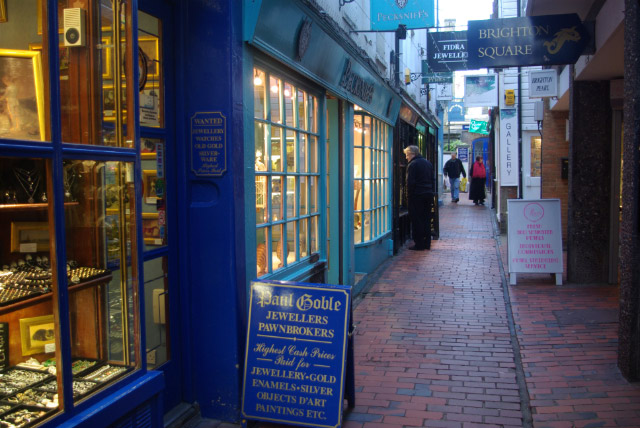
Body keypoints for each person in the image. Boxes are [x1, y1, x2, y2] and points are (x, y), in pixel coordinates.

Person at [403, 145, 434, 251]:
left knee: (417, 220)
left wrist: (408, 196)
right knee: (426, 219)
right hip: (428, 194)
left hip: (417, 195)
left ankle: (419, 244)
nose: (406, 157)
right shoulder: (428, 163)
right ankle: (427, 243)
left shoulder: (412, 164)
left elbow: (410, 183)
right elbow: (432, 180)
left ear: (412, 154)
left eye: (407, 155)